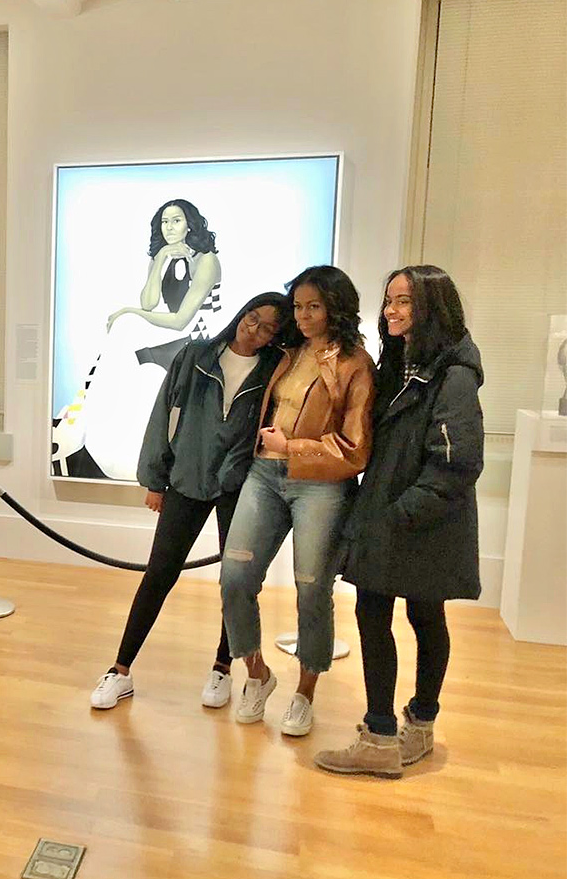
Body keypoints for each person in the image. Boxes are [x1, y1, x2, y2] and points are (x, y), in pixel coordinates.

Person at [315, 266, 484, 779]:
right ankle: (406, 728)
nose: (391, 310)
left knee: (403, 617)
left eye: (404, 301)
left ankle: (385, 736)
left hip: (417, 522)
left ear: (432, 306)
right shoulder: (405, 365)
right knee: (407, 616)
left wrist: (396, 515)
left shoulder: (451, 375)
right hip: (401, 516)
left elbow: (457, 462)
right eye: (389, 300)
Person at [90, 293, 287, 710]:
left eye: (268, 327)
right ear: (241, 314)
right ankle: (120, 669)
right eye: (252, 319)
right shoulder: (196, 356)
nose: (255, 330)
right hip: (187, 478)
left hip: (240, 485)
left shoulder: (274, 370)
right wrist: (154, 479)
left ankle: (222, 667)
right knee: (159, 572)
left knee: (234, 582)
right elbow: (164, 414)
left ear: (276, 336)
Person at [219, 265, 375, 737]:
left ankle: (305, 692)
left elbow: (356, 448)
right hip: (264, 475)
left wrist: (296, 449)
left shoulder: (356, 363)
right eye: (298, 307)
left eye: (314, 306)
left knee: (312, 587)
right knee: (234, 577)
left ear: (336, 308)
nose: (303, 316)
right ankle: (257, 675)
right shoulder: (287, 353)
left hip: (322, 485)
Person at [53, 199, 223, 481]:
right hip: (175, 336)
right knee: (125, 329)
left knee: (126, 324)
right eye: (165, 222)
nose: (169, 227)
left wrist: (128, 312)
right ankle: (89, 427)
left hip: (200, 341)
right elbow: (149, 302)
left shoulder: (206, 261)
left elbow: (182, 320)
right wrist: (160, 260)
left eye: (176, 220)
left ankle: (88, 430)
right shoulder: (165, 257)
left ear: (190, 223)